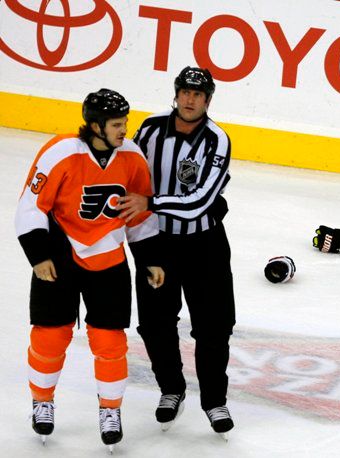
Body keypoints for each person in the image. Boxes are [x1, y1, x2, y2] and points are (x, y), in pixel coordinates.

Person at [15, 89, 164, 449]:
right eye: (116, 124)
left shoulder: (131, 157)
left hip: (109, 259)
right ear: (95, 125)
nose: (124, 130)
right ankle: (43, 401)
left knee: (110, 342)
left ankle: (110, 409)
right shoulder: (62, 152)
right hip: (60, 257)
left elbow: (138, 215)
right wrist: (39, 255)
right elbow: (31, 206)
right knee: (50, 337)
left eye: (125, 122)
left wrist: (151, 257)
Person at [116, 66, 236, 435]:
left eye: (197, 95)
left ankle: (215, 401)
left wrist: (149, 202)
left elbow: (199, 202)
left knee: (214, 327)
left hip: (206, 246)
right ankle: (171, 389)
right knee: (155, 324)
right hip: (157, 244)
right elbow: (127, 172)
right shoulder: (150, 129)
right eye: (184, 91)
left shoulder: (217, 139)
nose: (189, 99)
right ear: (176, 93)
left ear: (208, 100)